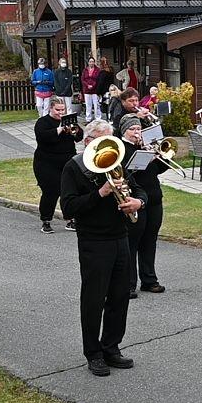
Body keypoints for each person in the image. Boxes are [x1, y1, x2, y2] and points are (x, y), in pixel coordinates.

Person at [60, 120, 146, 377]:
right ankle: (93, 352)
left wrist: (137, 202)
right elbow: (69, 208)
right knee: (94, 298)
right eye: (102, 142)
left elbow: (140, 188)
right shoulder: (73, 167)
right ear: (88, 142)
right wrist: (102, 192)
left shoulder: (116, 164)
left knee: (120, 296)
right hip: (93, 241)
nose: (108, 149)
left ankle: (111, 347)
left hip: (120, 237)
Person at [118, 114, 168, 299]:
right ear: (125, 131)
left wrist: (159, 157)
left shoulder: (145, 146)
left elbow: (158, 170)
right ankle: (129, 283)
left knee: (150, 240)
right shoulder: (122, 148)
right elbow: (126, 173)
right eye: (133, 129)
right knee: (132, 242)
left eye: (139, 129)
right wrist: (144, 157)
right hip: (136, 200)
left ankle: (149, 279)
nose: (137, 132)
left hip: (154, 197)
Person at [34, 99, 80, 234]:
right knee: (51, 191)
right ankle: (46, 220)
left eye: (62, 110)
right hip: (46, 162)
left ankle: (70, 219)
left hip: (67, 160)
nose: (60, 112)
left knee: (69, 191)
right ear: (51, 109)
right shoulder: (42, 122)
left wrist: (74, 131)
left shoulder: (69, 121)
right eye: (57, 110)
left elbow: (79, 137)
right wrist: (59, 129)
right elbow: (43, 138)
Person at [82, 57, 101, 121]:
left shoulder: (97, 70)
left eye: (92, 61)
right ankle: (88, 119)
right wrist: (87, 85)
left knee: (96, 105)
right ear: (88, 62)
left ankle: (98, 118)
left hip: (95, 90)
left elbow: (98, 79)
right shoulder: (85, 70)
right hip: (87, 90)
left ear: (94, 62)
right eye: (90, 61)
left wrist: (92, 85)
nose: (91, 63)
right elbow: (83, 79)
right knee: (88, 106)